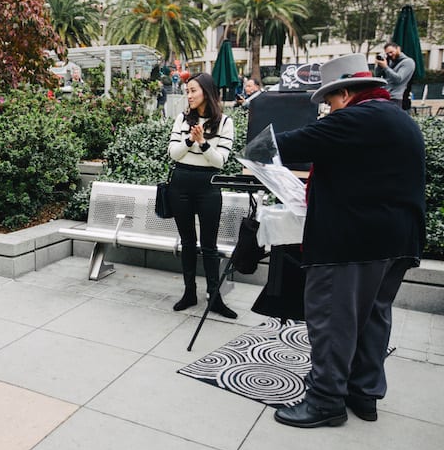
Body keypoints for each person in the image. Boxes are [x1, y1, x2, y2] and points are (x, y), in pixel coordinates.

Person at [272, 54, 424, 428]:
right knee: (373, 317)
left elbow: (286, 145)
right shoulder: (399, 118)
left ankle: (326, 400)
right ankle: (364, 393)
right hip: (397, 240)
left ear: (343, 93)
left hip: (352, 242)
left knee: (333, 318)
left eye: (327, 101)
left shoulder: (355, 118)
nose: (327, 108)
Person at [167, 72, 237, 319]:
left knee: (209, 245)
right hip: (180, 184)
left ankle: (214, 297)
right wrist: (190, 140)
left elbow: (219, 162)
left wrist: (204, 144)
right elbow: (174, 153)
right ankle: (189, 293)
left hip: (208, 186)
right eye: (187, 91)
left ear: (206, 91)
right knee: (187, 243)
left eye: (193, 90)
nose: (189, 95)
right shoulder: (182, 119)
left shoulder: (225, 122)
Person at [374, 42, 415, 110]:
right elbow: (377, 75)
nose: (390, 55)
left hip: (395, 98)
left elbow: (398, 79)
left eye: (391, 52)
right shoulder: (390, 61)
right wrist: (379, 65)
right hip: (384, 96)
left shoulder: (408, 62)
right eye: (387, 54)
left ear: (398, 49)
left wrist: (385, 67)